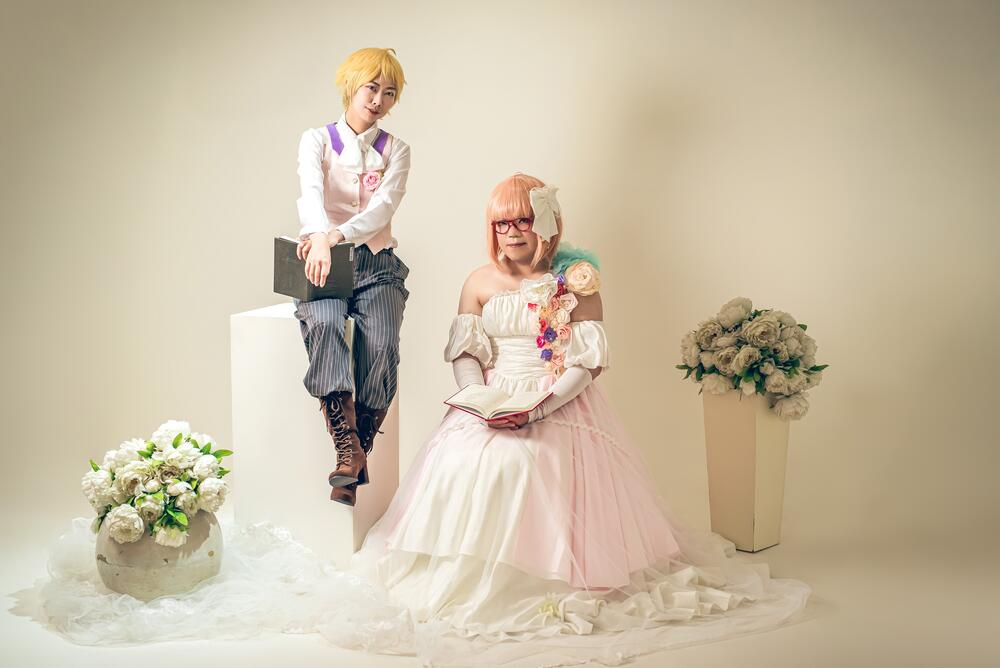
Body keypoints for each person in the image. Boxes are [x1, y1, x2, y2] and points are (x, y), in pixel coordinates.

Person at [345, 173, 811, 665]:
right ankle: (469, 576)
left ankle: (546, 578)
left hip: (556, 395)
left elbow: (587, 363)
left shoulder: (576, 281)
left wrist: (539, 408)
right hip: (492, 395)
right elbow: (466, 352)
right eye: (502, 223)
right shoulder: (479, 281)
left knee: (531, 465)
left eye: (524, 220)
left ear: (548, 223)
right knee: (465, 466)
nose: (512, 232)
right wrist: (478, 398)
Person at [292, 48, 411, 506]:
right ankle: (348, 450)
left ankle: (360, 451)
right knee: (324, 324)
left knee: (380, 345)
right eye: (371, 88)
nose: (378, 100)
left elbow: (384, 208)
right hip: (322, 260)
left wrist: (335, 235)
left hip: (376, 263)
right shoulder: (316, 140)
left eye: (389, 93)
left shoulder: (397, 150)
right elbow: (310, 193)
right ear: (351, 86)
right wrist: (320, 239)